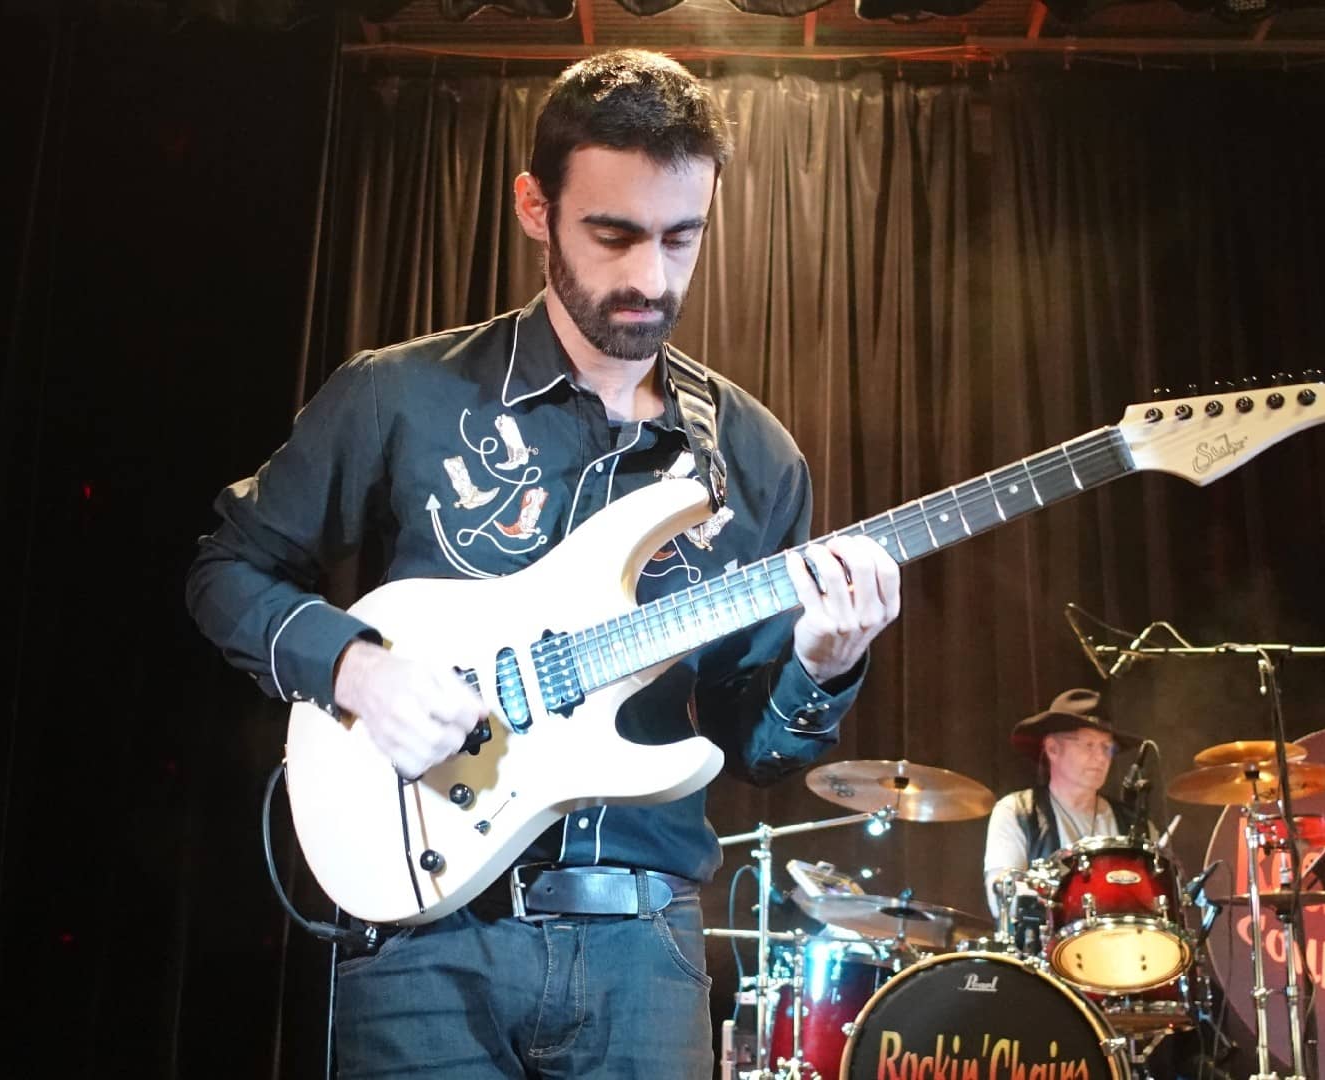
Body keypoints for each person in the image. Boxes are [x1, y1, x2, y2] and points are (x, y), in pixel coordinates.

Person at [185, 50, 902, 1079]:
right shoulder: (400, 395)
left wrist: (822, 667)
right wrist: (356, 669)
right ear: (535, 206)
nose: (651, 278)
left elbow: (755, 751)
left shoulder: (753, 455)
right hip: (423, 942)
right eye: (614, 235)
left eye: (681, 238)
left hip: (641, 952)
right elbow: (225, 572)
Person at [981, 689, 1146, 918]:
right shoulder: (1017, 812)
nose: (1101, 758)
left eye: (1107, 748)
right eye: (1089, 745)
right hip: (1045, 951)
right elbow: (1002, 898)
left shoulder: (1132, 823)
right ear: (1053, 749)